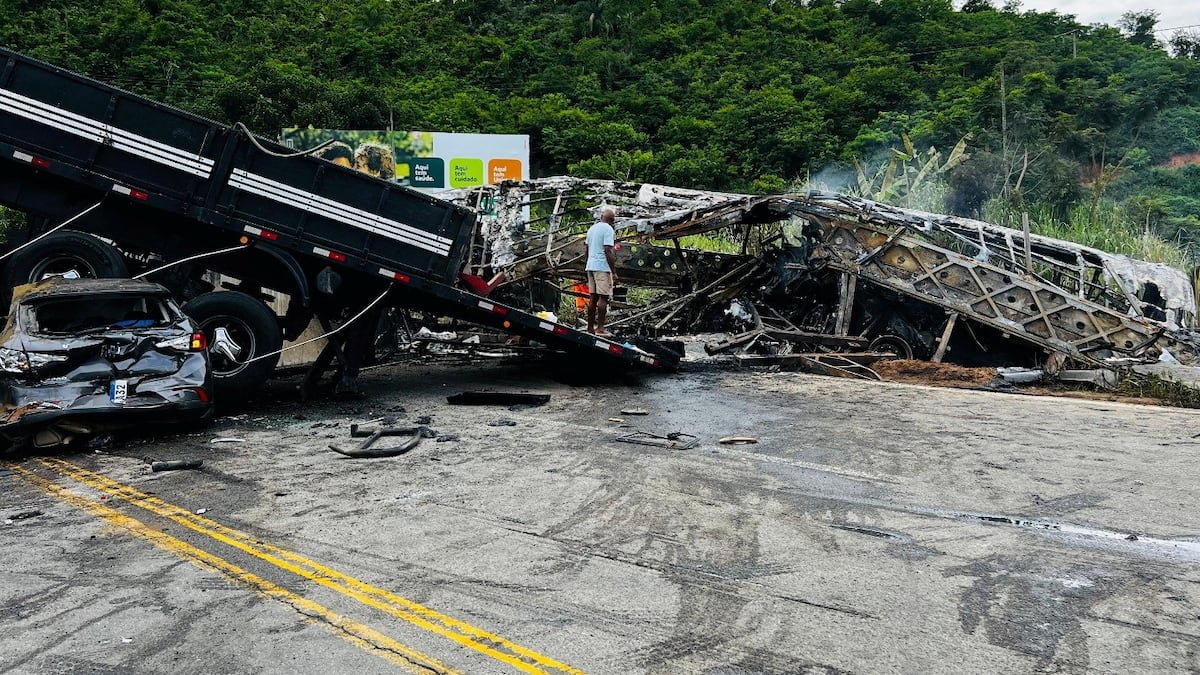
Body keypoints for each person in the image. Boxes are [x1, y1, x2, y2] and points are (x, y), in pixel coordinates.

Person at [585, 208, 618, 335]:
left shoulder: (592, 229)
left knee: (593, 298)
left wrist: (588, 263)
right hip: (602, 267)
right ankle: (600, 328)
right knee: (603, 298)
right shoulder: (608, 229)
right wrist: (613, 271)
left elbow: (587, 250)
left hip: (591, 265)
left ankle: (590, 328)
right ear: (612, 220)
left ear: (601, 217)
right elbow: (608, 250)